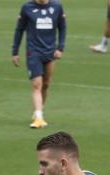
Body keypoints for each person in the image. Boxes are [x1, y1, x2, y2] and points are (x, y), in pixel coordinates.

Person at [12, 0, 66, 129]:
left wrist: (60, 48)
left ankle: (38, 112)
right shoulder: (27, 8)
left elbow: (62, 27)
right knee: (37, 84)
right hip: (34, 52)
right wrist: (15, 51)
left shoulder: (57, 6)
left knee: (46, 84)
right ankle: (39, 117)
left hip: (50, 52)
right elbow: (19, 29)